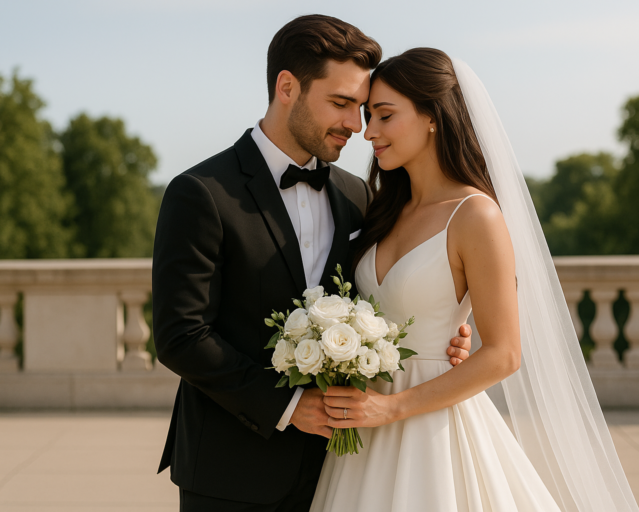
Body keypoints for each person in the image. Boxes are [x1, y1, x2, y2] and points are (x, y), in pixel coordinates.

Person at [152, 17, 473, 512]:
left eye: (362, 108)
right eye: (341, 103)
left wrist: (445, 334)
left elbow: (386, 293)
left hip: (344, 468)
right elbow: (181, 335)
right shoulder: (200, 193)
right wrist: (288, 406)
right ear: (287, 87)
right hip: (230, 470)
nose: (356, 125)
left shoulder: (357, 194)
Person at [311, 48, 639, 512]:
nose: (370, 132)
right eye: (369, 116)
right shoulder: (380, 208)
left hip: (431, 431)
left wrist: (394, 408)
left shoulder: (476, 215)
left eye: (384, 115)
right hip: (362, 437)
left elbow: (504, 354)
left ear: (433, 117)